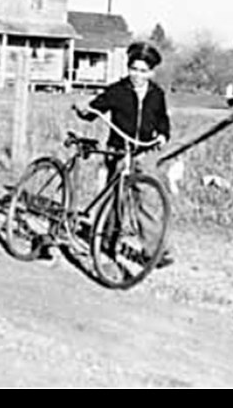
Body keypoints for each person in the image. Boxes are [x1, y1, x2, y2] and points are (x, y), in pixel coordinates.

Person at [74, 41, 174, 268]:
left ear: (151, 72)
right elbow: (96, 108)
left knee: (147, 200)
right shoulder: (117, 91)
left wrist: (163, 135)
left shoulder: (156, 94)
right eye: (134, 69)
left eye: (143, 71)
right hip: (119, 151)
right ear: (128, 68)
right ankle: (106, 241)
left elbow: (162, 119)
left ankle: (153, 252)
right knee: (115, 200)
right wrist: (85, 109)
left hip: (144, 151)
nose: (137, 75)